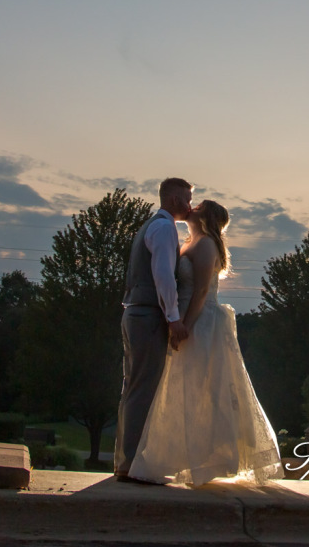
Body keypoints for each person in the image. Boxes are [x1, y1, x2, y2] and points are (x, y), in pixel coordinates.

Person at [128, 200, 283, 486]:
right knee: (184, 385)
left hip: (202, 321)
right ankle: (185, 456)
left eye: (197, 205)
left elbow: (200, 290)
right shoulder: (189, 242)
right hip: (187, 317)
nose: (191, 206)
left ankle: (210, 456)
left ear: (206, 215)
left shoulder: (207, 244)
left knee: (206, 386)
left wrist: (184, 323)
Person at [113, 177, 193, 480]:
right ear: (173, 200)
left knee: (132, 387)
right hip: (147, 316)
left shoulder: (151, 225)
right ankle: (132, 464)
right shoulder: (163, 228)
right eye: (186, 199)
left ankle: (125, 461)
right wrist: (173, 318)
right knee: (143, 389)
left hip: (135, 312)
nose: (190, 205)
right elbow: (163, 275)